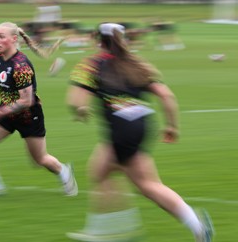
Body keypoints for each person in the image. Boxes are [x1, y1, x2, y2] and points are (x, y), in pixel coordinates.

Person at [65, 23, 214, 242]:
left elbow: (75, 99)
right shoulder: (135, 63)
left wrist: (80, 110)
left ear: (98, 40)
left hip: (121, 129)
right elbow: (167, 96)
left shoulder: (92, 64)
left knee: (129, 180)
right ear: (123, 39)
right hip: (142, 124)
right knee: (109, 173)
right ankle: (196, 225)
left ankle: (110, 230)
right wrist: (172, 126)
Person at [0, 22, 77, 198]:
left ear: (14, 39)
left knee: (39, 160)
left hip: (28, 116)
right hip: (5, 113)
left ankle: (64, 171)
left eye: (1, 37)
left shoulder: (21, 65)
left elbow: (26, 100)